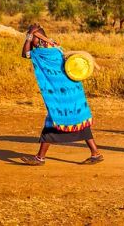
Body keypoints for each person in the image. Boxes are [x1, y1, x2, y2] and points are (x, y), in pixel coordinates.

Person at [19, 24, 103, 166]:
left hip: (61, 96)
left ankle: (40, 158)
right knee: (79, 120)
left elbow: (25, 54)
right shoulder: (56, 47)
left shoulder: (43, 53)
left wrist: (28, 37)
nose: (30, 40)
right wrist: (32, 35)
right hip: (73, 92)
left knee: (53, 121)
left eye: (32, 37)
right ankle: (95, 153)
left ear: (37, 38)